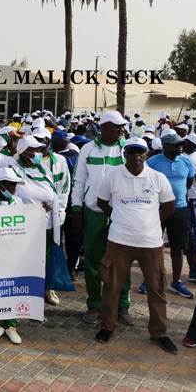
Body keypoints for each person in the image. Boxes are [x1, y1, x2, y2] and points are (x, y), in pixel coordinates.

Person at [95, 137, 177, 353]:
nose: (136, 155)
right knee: (111, 286)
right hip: (119, 241)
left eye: (140, 151)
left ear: (146, 154)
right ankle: (107, 326)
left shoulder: (157, 178)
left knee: (156, 287)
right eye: (131, 151)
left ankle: (159, 332)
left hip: (151, 243)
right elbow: (101, 202)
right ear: (125, 154)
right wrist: (120, 218)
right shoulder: (111, 177)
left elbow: (169, 207)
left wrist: (150, 223)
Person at [0, 133, 69, 306]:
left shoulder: (43, 169)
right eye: (34, 149)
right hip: (22, 227)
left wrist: (57, 211)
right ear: (24, 152)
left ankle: (47, 288)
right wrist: (8, 136)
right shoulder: (11, 165)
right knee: (27, 262)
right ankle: (29, 296)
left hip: (46, 224)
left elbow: (57, 193)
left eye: (39, 149)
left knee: (44, 260)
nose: (39, 151)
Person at [71, 112, 132, 325]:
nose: (121, 130)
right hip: (94, 214)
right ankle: (94, 305)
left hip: (121, 214)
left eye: (122, 126)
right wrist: (76, 211)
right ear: (104, 127)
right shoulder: (87, 149)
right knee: (93, 262)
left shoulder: (127, 149)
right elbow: (79, 181)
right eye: (116, 126)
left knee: (122, 261)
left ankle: (122, 305)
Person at [145, 132, 196, 298]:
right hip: (157, 209)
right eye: (176, 145)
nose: (180, 147)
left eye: (181, 144)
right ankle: (150, 279)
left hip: (180, 210)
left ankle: (176, 282)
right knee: (153, 247)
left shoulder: (186, 162)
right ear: (165, 146)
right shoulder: (152, 162)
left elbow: (188, 182)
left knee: (178, 247)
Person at [0, 167, 26, 344]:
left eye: (15, 184)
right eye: (10, 184)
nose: (14, 188)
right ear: (0, 185)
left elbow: (29, 222)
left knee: (12, 289)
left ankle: (11, 325)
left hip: (14, 254)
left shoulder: (19, 202)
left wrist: (41, 212)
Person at [51, 130, 80, 280]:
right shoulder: (78, 156)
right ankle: (72, 268)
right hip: (74, 205)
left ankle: (60, 269)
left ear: (54, 143)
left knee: (57, 239)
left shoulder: (55, 160)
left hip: (60, 204)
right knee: (73, 240)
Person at [184, 134, 196, 257]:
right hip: (189, 194)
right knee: (190, 221)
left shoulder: (194, 158)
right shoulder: (188, 155)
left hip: (195, 194)